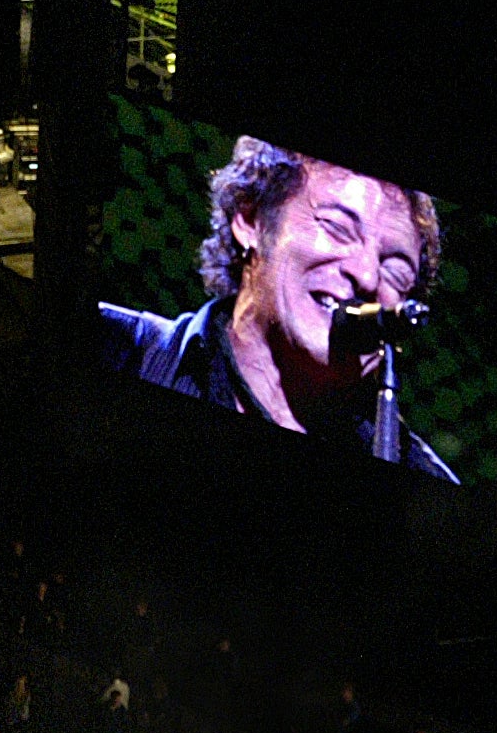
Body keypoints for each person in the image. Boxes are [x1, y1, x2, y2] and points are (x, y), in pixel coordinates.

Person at [96, 135, 459, 481]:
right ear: (250, 218)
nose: (366, 274)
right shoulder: (105, 346)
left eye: (395, 270)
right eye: (337, 228)